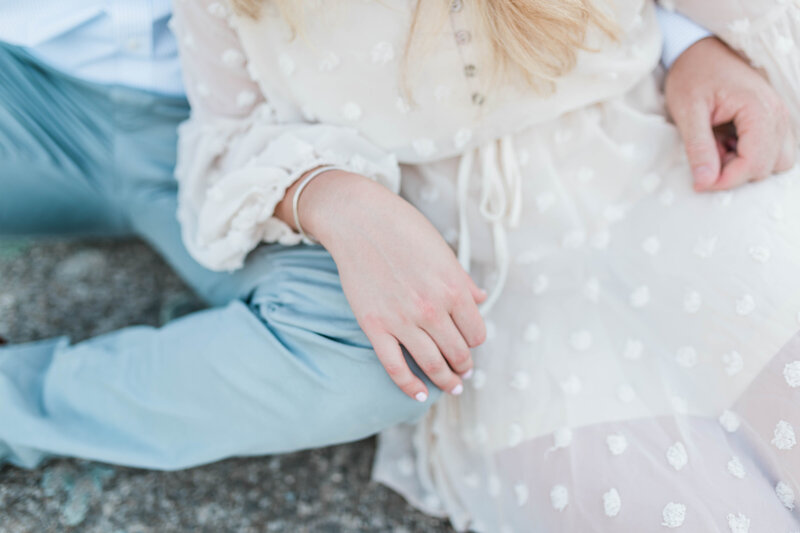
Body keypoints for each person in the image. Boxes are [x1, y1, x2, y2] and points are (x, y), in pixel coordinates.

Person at [0, 0, 798, 531]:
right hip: (37, 86)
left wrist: (698, 40)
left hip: (649, 170)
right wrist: (325, 192)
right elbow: (229, 140)